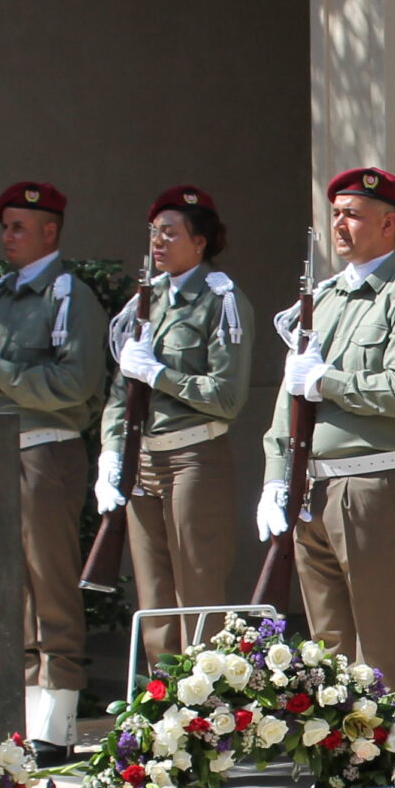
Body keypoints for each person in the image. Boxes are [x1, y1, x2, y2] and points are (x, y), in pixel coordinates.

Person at [259, 165, 395, 707]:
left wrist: (328, 380)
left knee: (380, 639)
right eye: (336, 214)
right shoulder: (321, 299)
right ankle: (341, 768)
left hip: (371, 486)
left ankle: (393, 770)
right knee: (328, 646)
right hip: (311, 490)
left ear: (388, 223)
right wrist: (277, 477)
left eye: (354, 215)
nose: (340, 225)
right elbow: (287, 403)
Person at [0, 180, 107, 762]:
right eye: (5, 227)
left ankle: (58, 722)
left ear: (50, 231)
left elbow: (75, 388)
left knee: (50, 585)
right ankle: (22, 716)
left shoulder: (69, 296)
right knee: (10, 593)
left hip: (46, 452)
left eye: (19, 227)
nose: (7, 237)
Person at [99, 186, 250, 664]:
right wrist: (110, 448)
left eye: (170, 233)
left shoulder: (219, 300)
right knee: (154, 593)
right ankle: (163, 709)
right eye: (153, 234)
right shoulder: (144, 302)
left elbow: (226, 397)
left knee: (198, 584)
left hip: (192, 456)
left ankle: (204, 709)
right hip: (141, 456)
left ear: (200, 241)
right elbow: (121, 390)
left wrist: (161, 374)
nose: (158, 243)